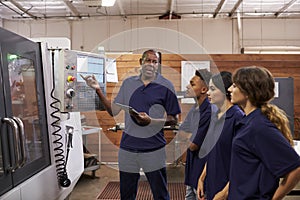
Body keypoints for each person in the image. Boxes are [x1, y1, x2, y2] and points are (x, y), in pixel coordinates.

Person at [81, 49, 181, 200]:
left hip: (154, 149)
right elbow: (113, 111)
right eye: (148, 60)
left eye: (155, 62)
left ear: (158, 65)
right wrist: (97, 90)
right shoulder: (128, 84)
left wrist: (151, 121)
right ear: (141, 62)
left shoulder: (166, 86)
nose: (151, 64)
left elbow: (174, 119)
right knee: (127, 194)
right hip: (128, 149)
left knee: (160, 194)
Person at [228, 66, 300, 199]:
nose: (229, 89)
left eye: (234, 86)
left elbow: (295, 169)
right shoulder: (248, 122)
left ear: (247, 91)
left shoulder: (258, 126)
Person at [196, 71, 244, 200]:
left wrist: (225, 193)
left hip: (228, 188)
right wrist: (202, 178)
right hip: (213, 182)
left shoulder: (237, 118)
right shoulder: (216, 116)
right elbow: (213, 151)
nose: (207, 93)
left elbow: (242, 163)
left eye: (212, 89)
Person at [178, 69, 213, 200]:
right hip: (192, 171)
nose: (188, 86)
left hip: (202, 172)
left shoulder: (208, 111)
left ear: (204, 90)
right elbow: (180, 133)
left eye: (192, 84)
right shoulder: (195, 109)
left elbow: (193, 145)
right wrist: (189, 136)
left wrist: (188, 137)